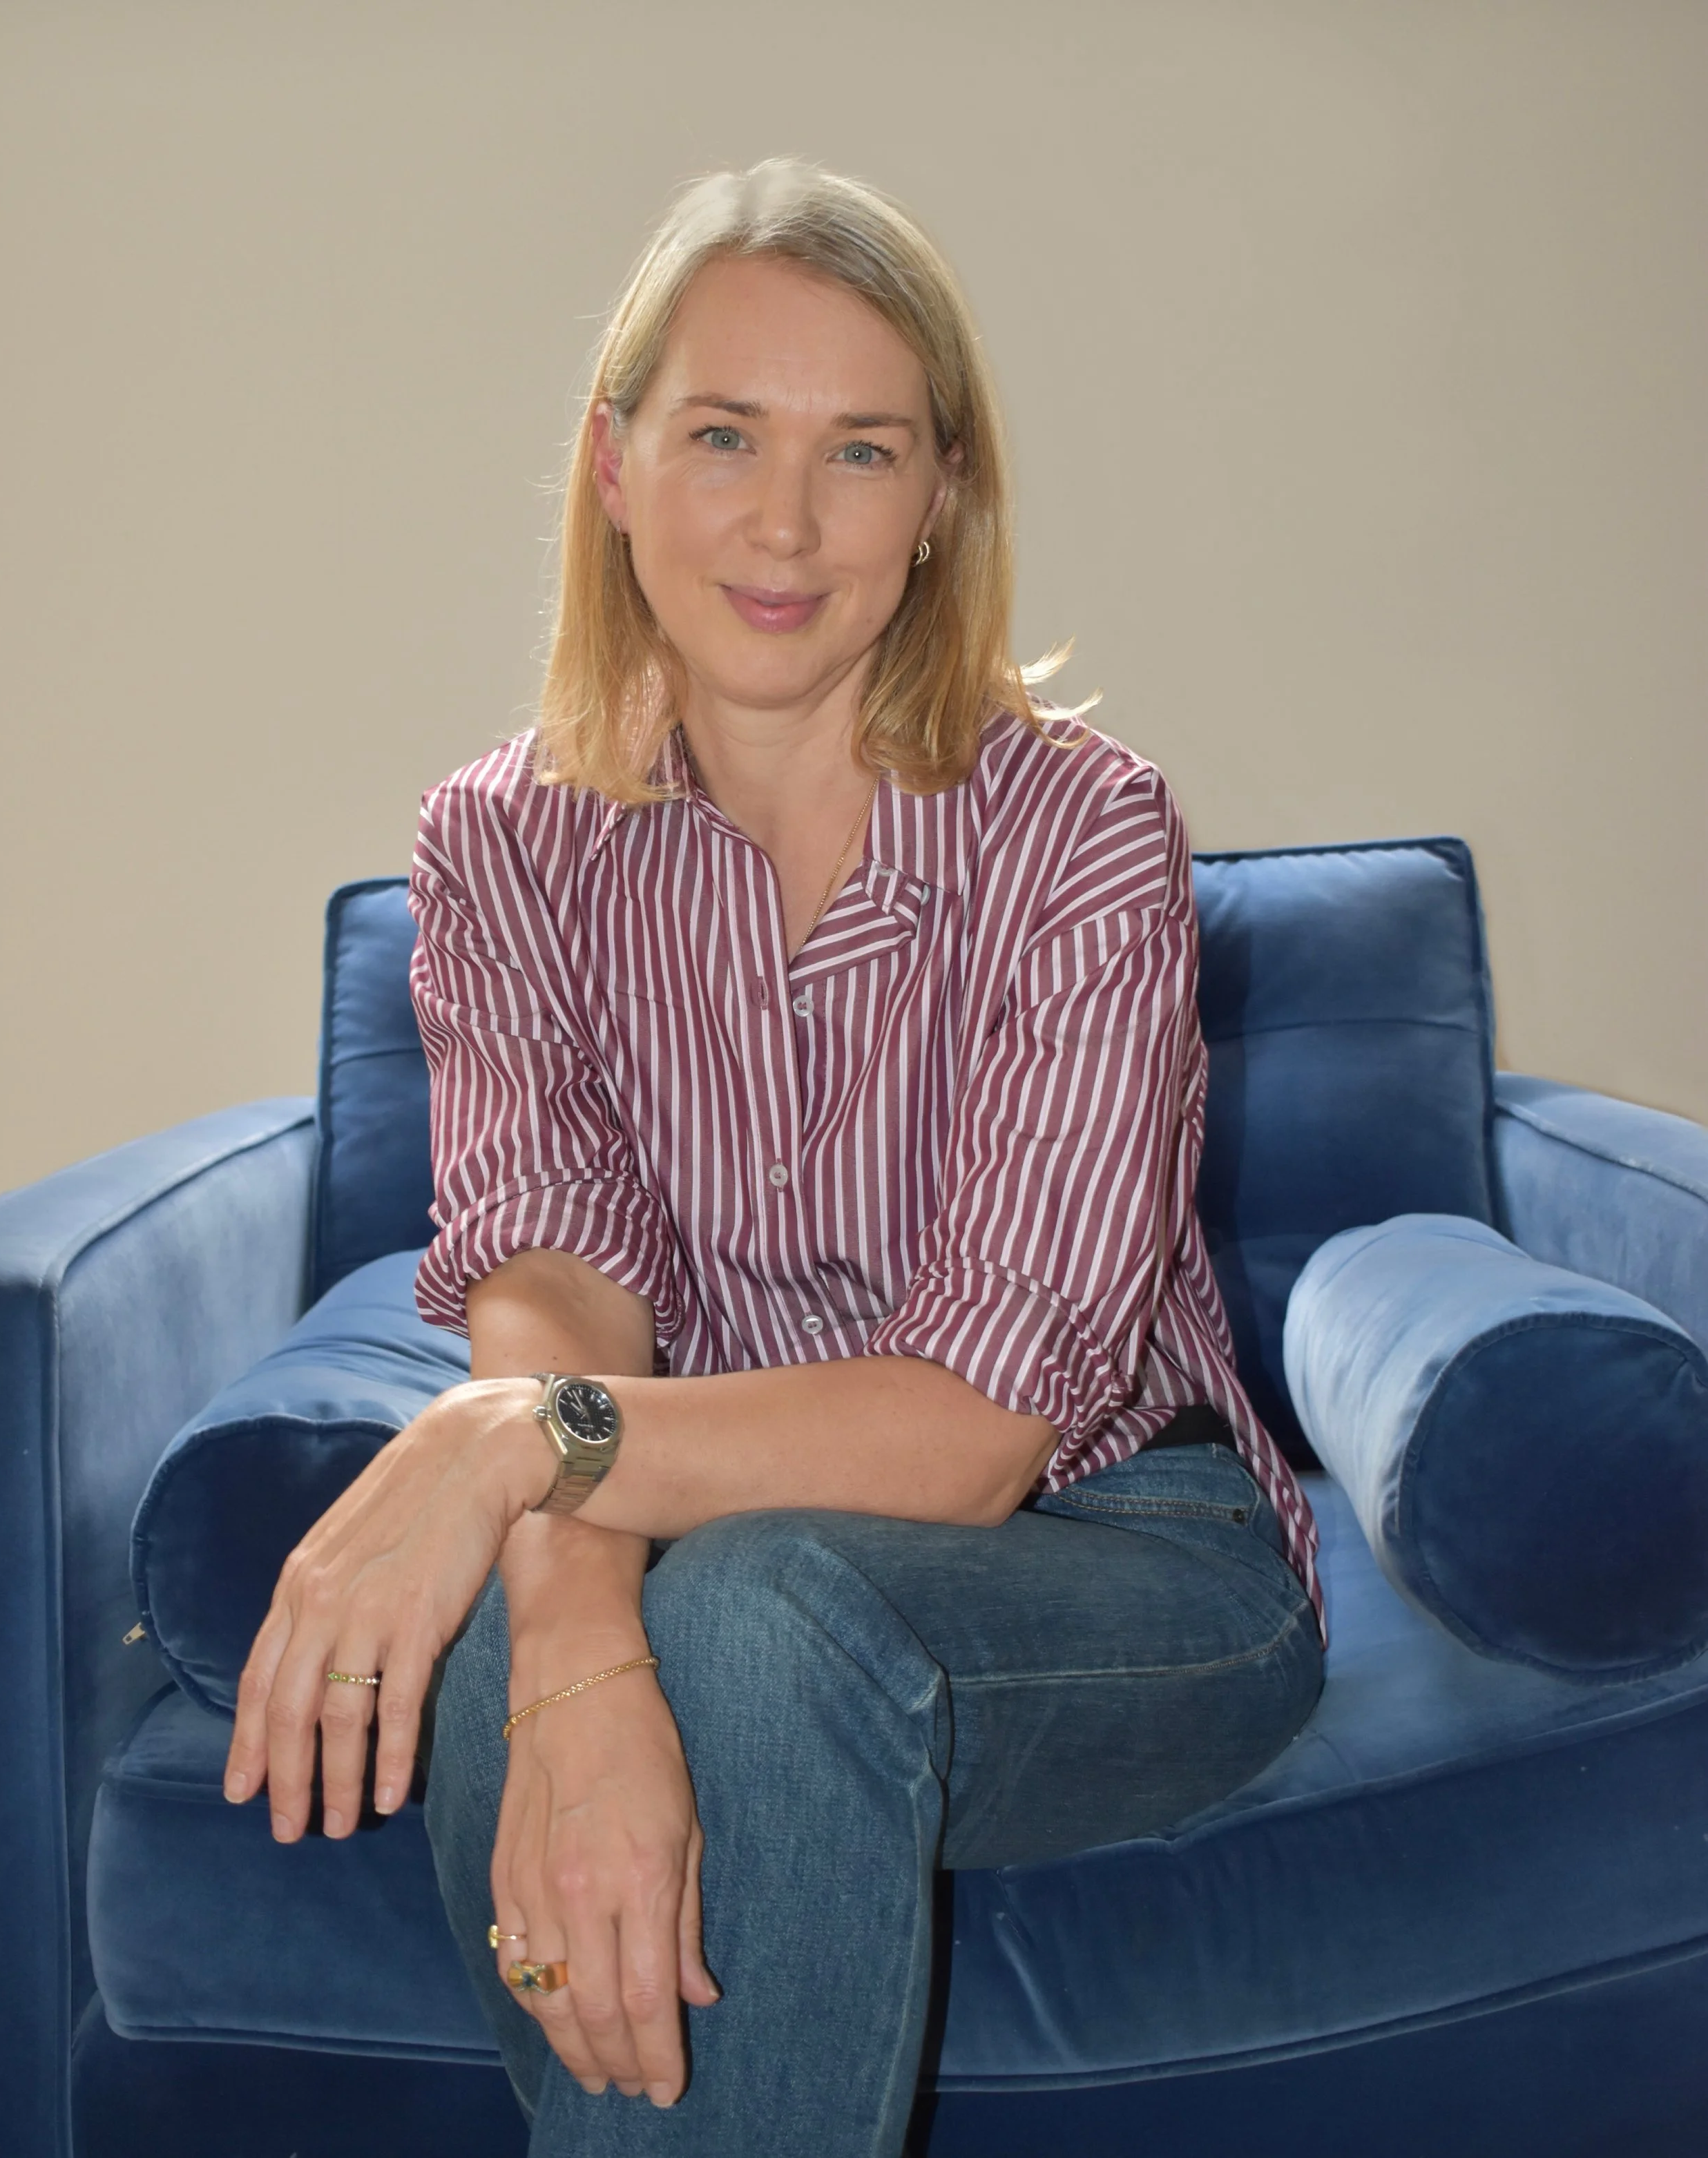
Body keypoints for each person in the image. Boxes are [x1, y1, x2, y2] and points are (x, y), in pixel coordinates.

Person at [224, 158, 1324, 2157]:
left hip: (1124, 1555)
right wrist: (566, 1622)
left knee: (748, 1614)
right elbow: (553, 1264)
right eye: (723, 433)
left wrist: (511, 1446)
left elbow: (976, 1429)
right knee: (553, 1656)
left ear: (941, 503)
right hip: (694, 1532)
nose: (787, 524)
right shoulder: (499, 843)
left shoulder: (1082, 834)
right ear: (613, 462)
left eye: (863, 452)